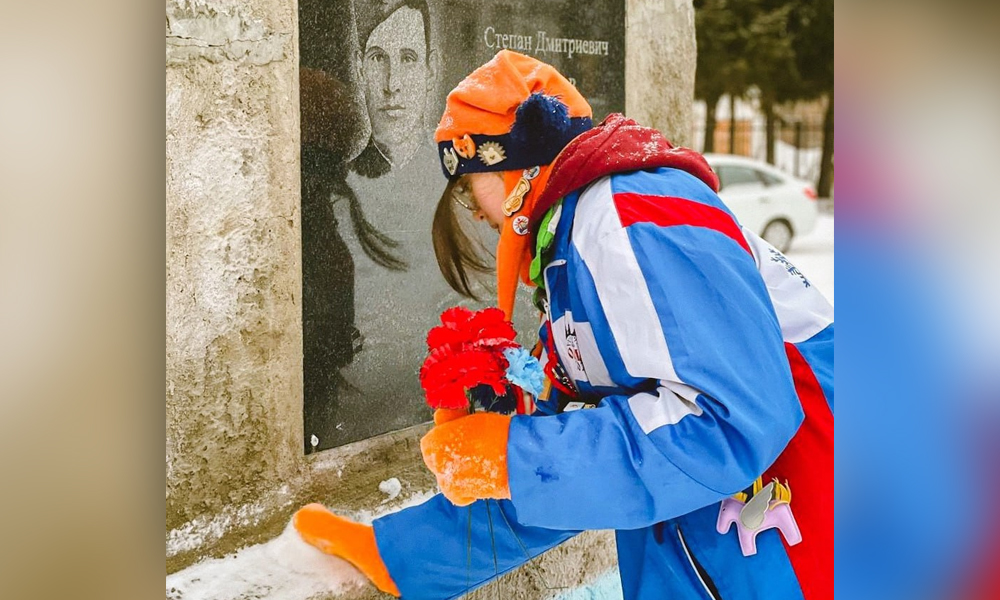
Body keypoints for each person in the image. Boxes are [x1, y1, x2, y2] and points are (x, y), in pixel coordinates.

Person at [293, 50, 834, 600]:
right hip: (715, 551)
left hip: (812, 536)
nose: (474, 213)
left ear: (514, 163)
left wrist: (510, 454)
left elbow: (729, 420)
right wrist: (402, 554)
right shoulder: (575, 246)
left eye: (468, 186)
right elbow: (575, 462)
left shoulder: (633, 214)